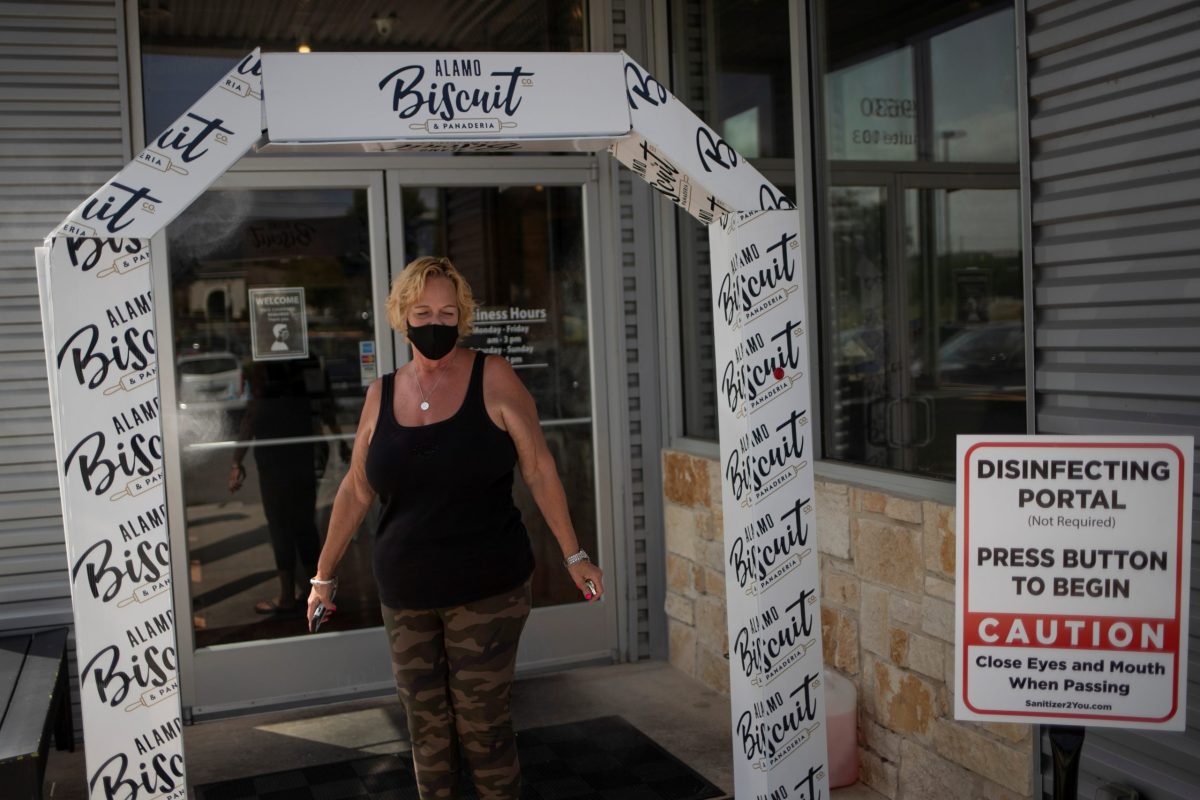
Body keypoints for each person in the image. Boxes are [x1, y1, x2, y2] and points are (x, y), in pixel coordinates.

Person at [307, 256, 603, 800]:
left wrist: (574, 554)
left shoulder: (493, 376)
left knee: (483, 727)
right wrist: (323, 576)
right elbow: (355, 487)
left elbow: (538, 467)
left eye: (447, 311)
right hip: (406, 591)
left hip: (487, 588)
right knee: (425, 729)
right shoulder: (381, 393)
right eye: (423, 311)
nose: (435, 322)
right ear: (403, 316)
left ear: (462, 315)